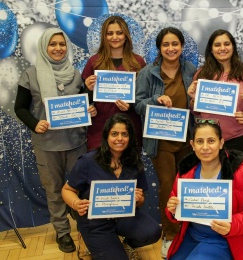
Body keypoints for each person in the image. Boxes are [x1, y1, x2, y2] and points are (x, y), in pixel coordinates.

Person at [14, 27, 96, 253]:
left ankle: (85, 227)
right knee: (54, 189)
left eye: (62, 44)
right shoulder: (30, 75)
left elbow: (83, 103)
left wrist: (90, 107)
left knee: (81, 188)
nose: (58, 48)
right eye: (53, 44)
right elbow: (20, 108)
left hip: (76, 141)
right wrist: (34, 123)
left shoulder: (75, 74)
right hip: (47, 144)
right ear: (44, 47)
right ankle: (62, 232)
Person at [165, 118, 243, 260]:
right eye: (200, 141)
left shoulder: (242, 173)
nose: (205, 147)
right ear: (192, 145)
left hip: (225, 239)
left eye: (211, 141)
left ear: (221, 143)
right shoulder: (186, 172)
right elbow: (175, 214)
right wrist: (172, 210)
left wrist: (232, 225)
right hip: (191, 236)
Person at [61, 114, 162, 260]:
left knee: (153, 232)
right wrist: (75, 203)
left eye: (124, 134)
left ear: (130, 137)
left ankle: (124, 244)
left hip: (124, 217)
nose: (119, 139)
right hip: (95, 223)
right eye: (114, 134)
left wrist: (138, 199)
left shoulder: (134, 162)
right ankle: (89, 240)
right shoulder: (88, 161)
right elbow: (67, 190)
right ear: (106, 136)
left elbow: (141, 200)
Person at [134, 27, 197, 258]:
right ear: (159, 48)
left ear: (181, 46)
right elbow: (138, 105)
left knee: (188, 188)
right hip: (160, 142)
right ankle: (170, 235)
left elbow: (197, 103)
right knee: (168, 188)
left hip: (187, 140)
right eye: (166, 44)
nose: (171, 48)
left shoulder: (191, 69)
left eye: (175, 44)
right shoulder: (147, 72)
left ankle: (188, 232)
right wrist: (154, 100)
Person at [187, 29, 243, 157]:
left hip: (239, 138)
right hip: (208, 139)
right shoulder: (201, 74)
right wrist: (193, 100)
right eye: (217, 45)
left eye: (226, 44)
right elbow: (195, 111)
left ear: (233, 47)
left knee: (235, 176)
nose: (222, 48)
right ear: (211, 49)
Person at [82, 15, 146, 151]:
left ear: (126, 35)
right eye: (109, 33)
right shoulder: (94, 62)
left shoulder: (138, 62)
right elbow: (84, 101)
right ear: (104, 36)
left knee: (128, 170)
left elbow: (144, 98)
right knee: (100, 170)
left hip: (129, 126)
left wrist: (130, 107)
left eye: (119, 33)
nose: (114, 37)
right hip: (100, 127)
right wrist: (87, 89)